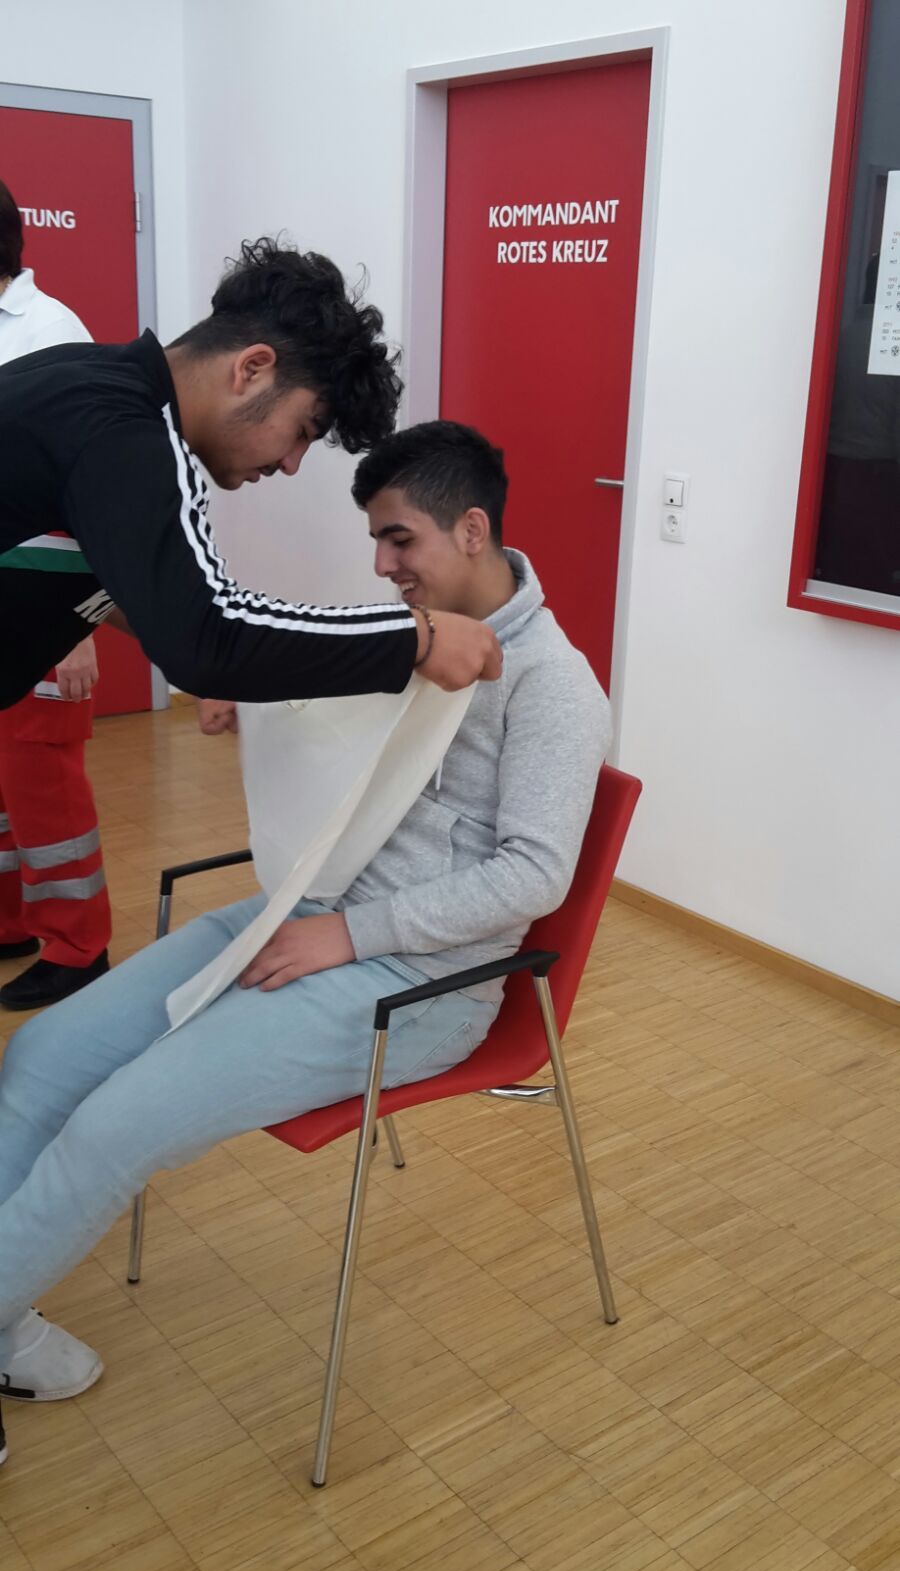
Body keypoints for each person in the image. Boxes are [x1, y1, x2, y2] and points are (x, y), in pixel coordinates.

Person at [0, 421, 610, 1465]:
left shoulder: (554, 684)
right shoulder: (416, 633)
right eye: (376, 541)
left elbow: (533, 878)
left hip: (417, 983)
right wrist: (258, 709)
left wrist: (349, 934)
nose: (382, 566)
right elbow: (342, 735)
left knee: (114, 1124)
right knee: (43, 1055)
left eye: (400, 540)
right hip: (300, 917)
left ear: (471, 530)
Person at [0, 235, 500, 716]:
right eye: (303, 430)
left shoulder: (89, 383)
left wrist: (209, 647)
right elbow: (210, 641)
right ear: (253, 368)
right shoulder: (127, 436)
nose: (291, 463)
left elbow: (150, 595)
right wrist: (417, 636)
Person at [0, 179, 111, 1010]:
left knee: (44, 781)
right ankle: (11, 920)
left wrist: (80, 630)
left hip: (46, 604)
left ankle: (78, 948)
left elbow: (92, 493)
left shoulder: (51, 332)